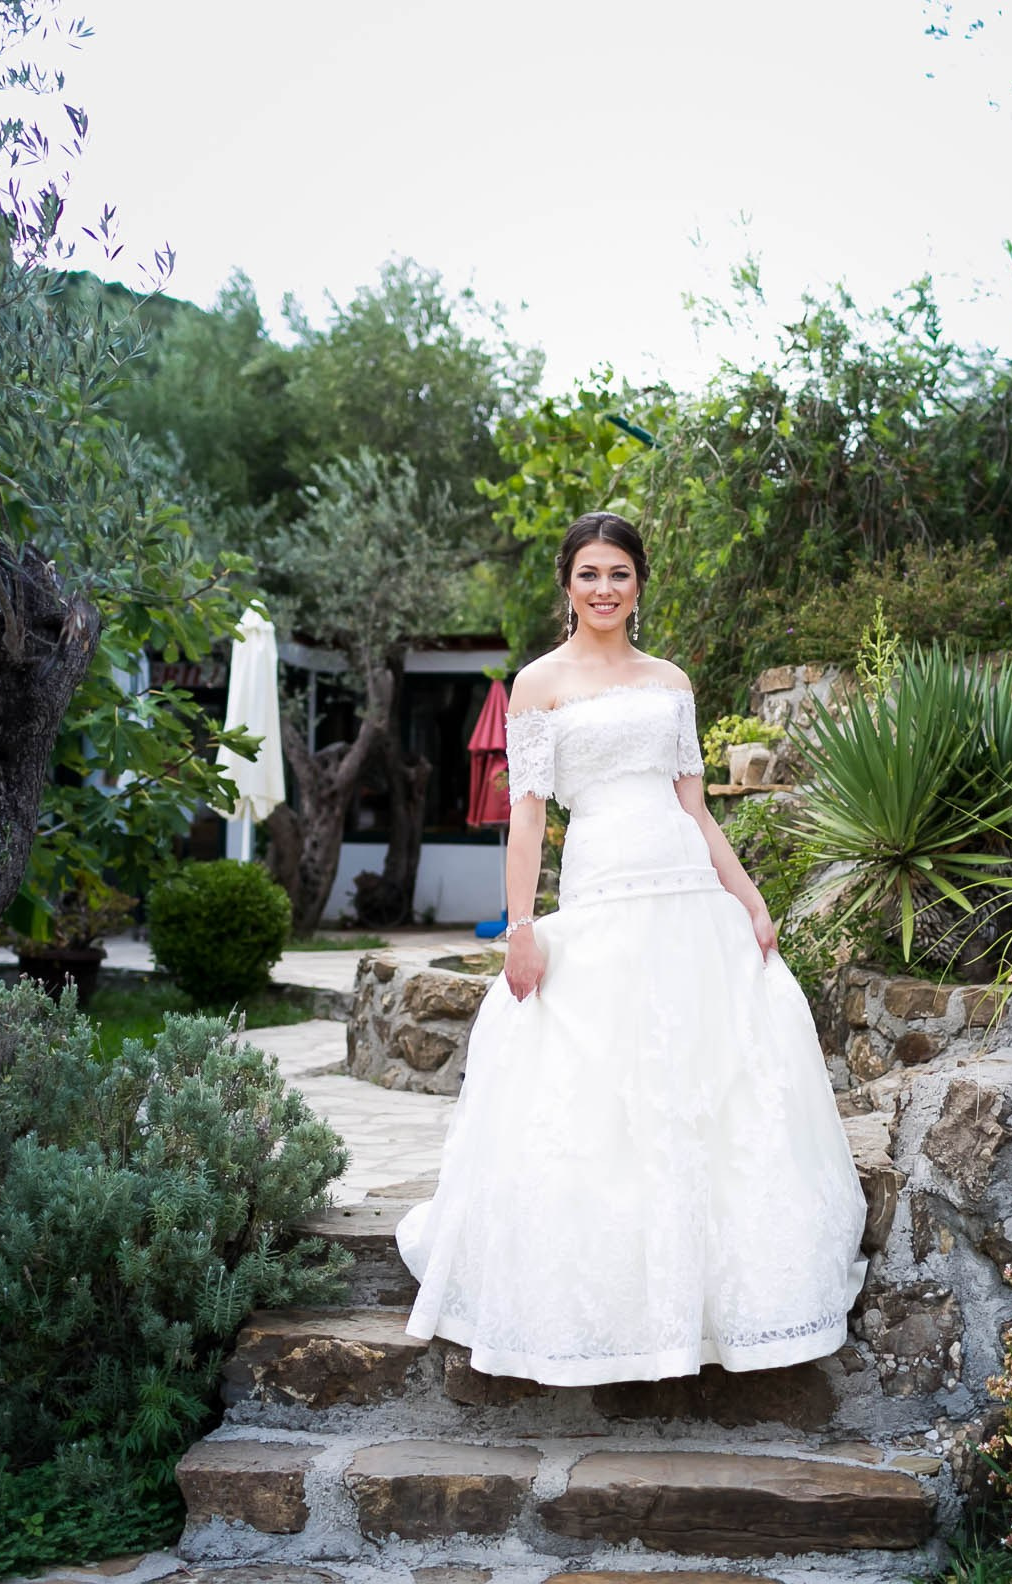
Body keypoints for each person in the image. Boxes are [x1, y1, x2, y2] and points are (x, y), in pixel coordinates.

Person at [395, 512, 867, 1385]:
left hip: (688, 891)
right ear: (567, 587)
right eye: (588, 574)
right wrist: (521, 927)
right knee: (602, 1089)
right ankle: (613, 1308)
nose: (604, 588)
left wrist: (752, 899)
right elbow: (528, 818)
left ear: (639, 584)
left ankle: (724, 1306)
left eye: (619, 573)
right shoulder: (538, 686)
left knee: (710, 1085)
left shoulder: (670, 679)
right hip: (602, 891)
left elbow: (695, 806)